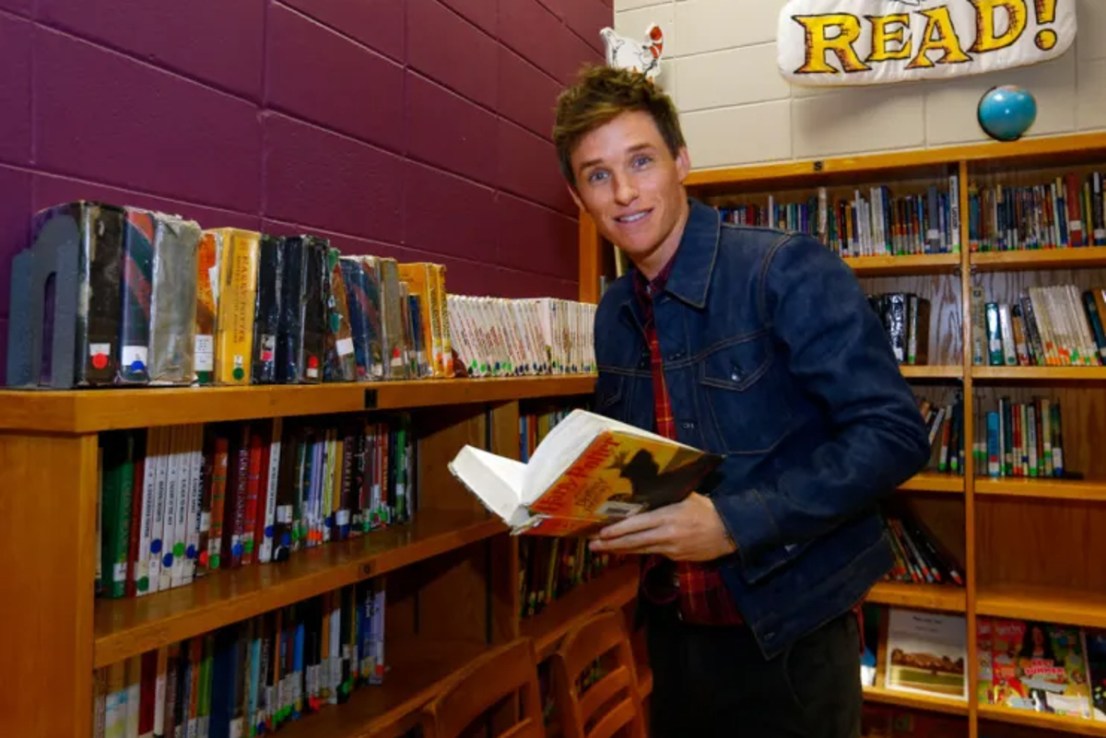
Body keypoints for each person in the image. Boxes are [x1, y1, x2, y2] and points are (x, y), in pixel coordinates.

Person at [552, 64, 931, 738]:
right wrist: (586, 504)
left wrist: (734, 522)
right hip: (674, 636)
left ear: (682, 161)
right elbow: (644, 461)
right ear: (577, 194)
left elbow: (894, 433)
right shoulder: (613, 313)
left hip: (793, 643)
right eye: (598, 174)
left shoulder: (784, 269)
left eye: (641, 161)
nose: (625, 192)